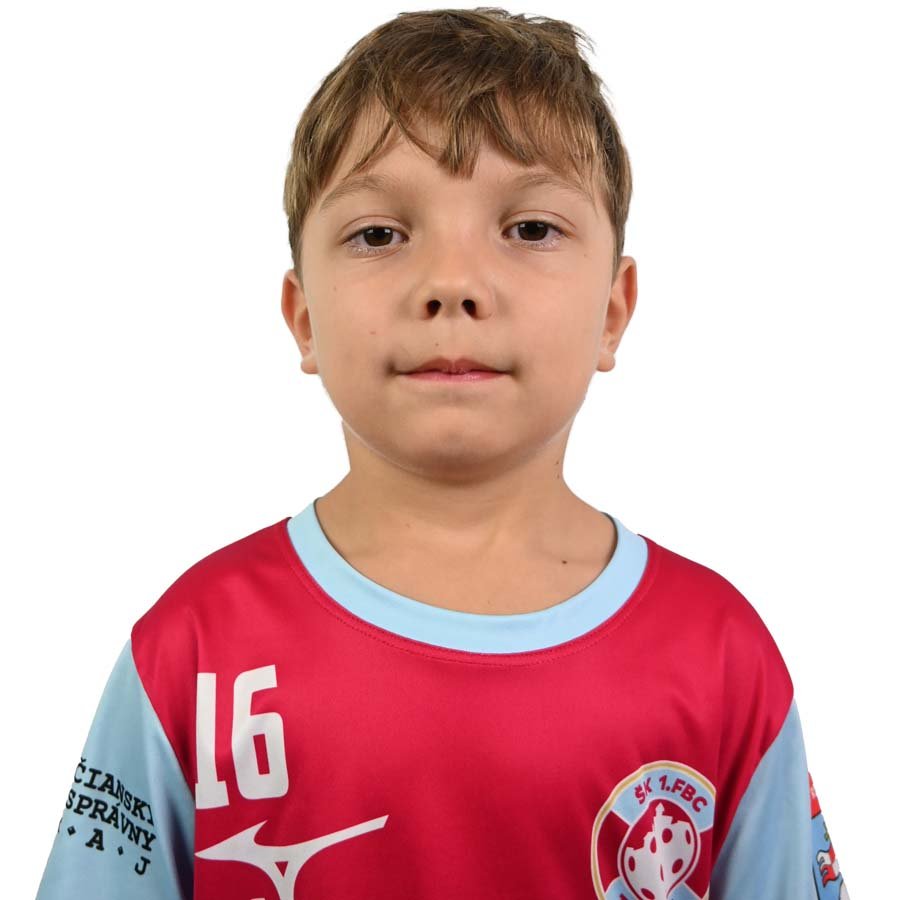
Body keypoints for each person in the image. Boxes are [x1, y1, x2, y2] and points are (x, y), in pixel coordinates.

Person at [35, 7, 849, 900]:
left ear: (613, 313)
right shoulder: (190, 651)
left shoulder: (721, 657)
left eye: (530, 229)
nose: (452, 284)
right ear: (303, 319)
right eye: (380, 234)